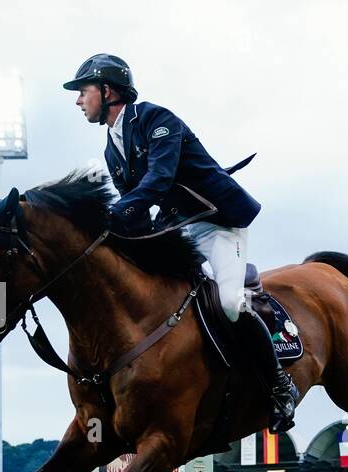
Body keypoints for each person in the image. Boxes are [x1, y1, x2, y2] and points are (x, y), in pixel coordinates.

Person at [63, 53, 299, 432]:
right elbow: (135, 210)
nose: (78, 100)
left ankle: (278, 385)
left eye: (82, 91)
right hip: (179, 230)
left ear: (107, 91)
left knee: (229, 304)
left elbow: (158, 179)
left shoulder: (157, 119)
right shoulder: (112, 147)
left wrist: (116, 214)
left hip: (217, 224)